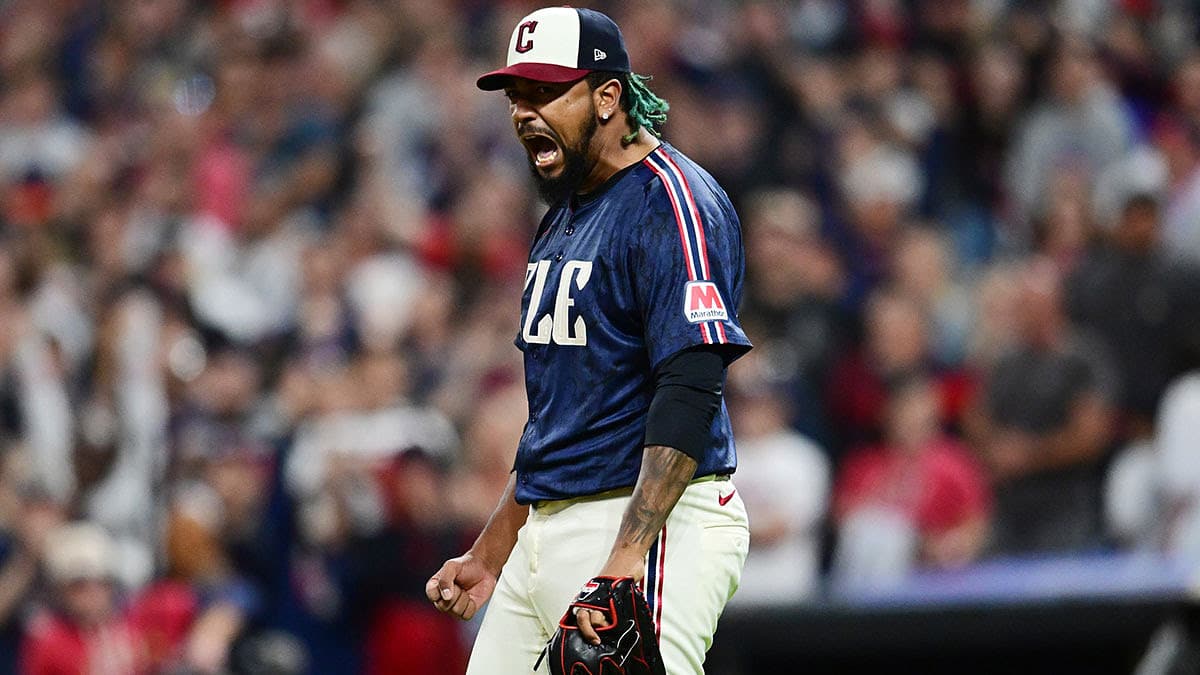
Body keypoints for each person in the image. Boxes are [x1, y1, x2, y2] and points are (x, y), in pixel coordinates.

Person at [425, 7, 752, 674]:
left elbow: (690, 385)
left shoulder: (673, 201)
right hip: (546, 532)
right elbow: (562, 416)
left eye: (546, 91)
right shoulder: (563, 219)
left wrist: (625, 559)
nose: (524, 111)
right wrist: (492, 549)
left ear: (608, 96)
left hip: (652, 524)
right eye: (518, 95)